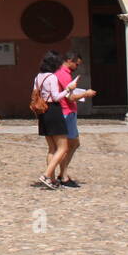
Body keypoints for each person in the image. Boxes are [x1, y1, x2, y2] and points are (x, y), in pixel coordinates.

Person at [35, 50, 79, 190]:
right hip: (53, 110)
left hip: (43, 112)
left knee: (52, 148)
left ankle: (52, 180)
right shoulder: (52, 77)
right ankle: (47, 175)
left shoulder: (38, 77)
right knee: (63, 147)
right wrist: (68, 89)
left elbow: (35, 93)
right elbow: (56, 97)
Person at [54, 50, 96, 188]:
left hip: (67, 111)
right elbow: (70, 97)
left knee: (69, 145)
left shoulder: (60, 73)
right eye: (76, 64)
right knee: (68, 145)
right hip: (67, 112)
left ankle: (61, 174)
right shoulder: (64, 75)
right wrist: (86, 93)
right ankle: (62, 176)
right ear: (70, 60)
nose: (77, 67)